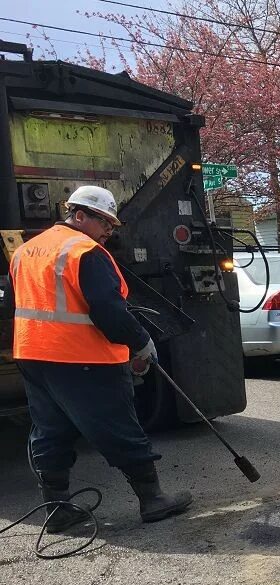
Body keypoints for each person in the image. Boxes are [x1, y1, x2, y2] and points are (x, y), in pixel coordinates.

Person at [10, 185, 192, 532]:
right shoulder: (84, 251)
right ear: (79, 215)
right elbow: (108, 310)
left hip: (33, 355)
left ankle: (57, 509)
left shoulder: (25, 251)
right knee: (118, 427)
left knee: (49, 431)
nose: (109, 230)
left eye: (112, 224)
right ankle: (152, 499)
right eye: (104, 222)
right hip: (83, 358)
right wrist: (141, 342)